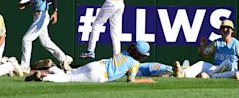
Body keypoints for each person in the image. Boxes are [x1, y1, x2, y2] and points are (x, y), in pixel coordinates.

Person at [15, 0, 73, 74]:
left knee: (26, 39)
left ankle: (24, 67)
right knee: (46, 42)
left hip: (42, 16)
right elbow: (36, 0)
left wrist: (55, 12)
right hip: (37, 16)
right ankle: (64, 59)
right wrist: (25, 4)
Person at [25, 41, 154, 83]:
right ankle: (43, 77)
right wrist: (146, 80)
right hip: (100, 76)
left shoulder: (125, 53)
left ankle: (52, 67)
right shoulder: (135, 63)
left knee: (70, 73)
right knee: (68, 79)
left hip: (97, 64)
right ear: (140, 54)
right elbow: (130, 80)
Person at [173, 19, 239, 78]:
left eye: (227, 28)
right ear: (220, 30)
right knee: (201, 63)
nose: (225, 30)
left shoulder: (237, 44)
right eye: (223, 28)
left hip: (230, 71)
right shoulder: (216, 43)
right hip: (217, 69)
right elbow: (203, 54)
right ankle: (183, 73)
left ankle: (208, 75)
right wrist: (202, 45)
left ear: (232, 31)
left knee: (227, 62)